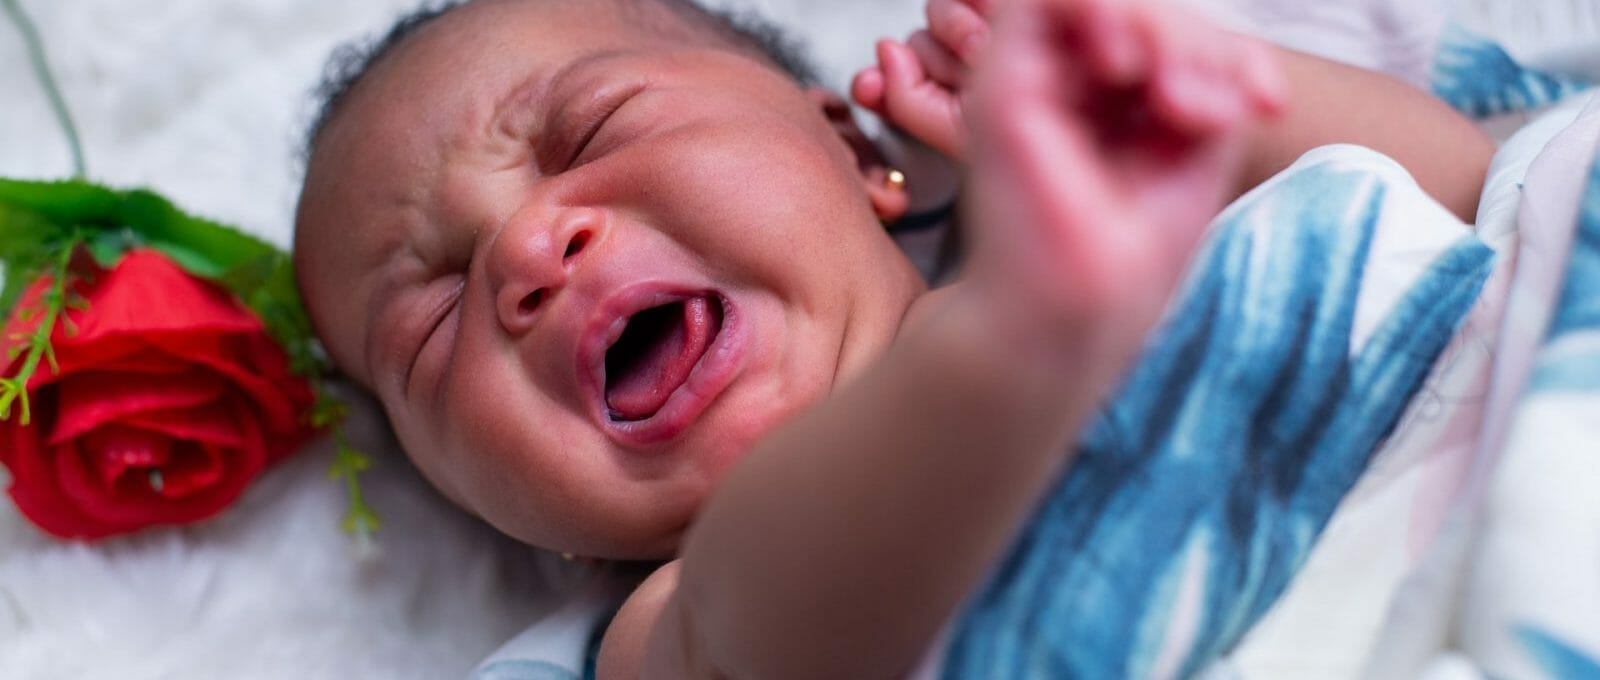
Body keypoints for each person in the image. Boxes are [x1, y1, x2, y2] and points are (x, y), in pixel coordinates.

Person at [292, 0, 1494, 676]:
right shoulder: (659, 628)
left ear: (857, 151)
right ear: (499, 514)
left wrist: (1168, 107)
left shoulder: (1179, 236)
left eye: (590, 129)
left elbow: (1469, 190)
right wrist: (1009, 344)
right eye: (432, 325)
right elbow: (753, 631)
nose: (522, 255)